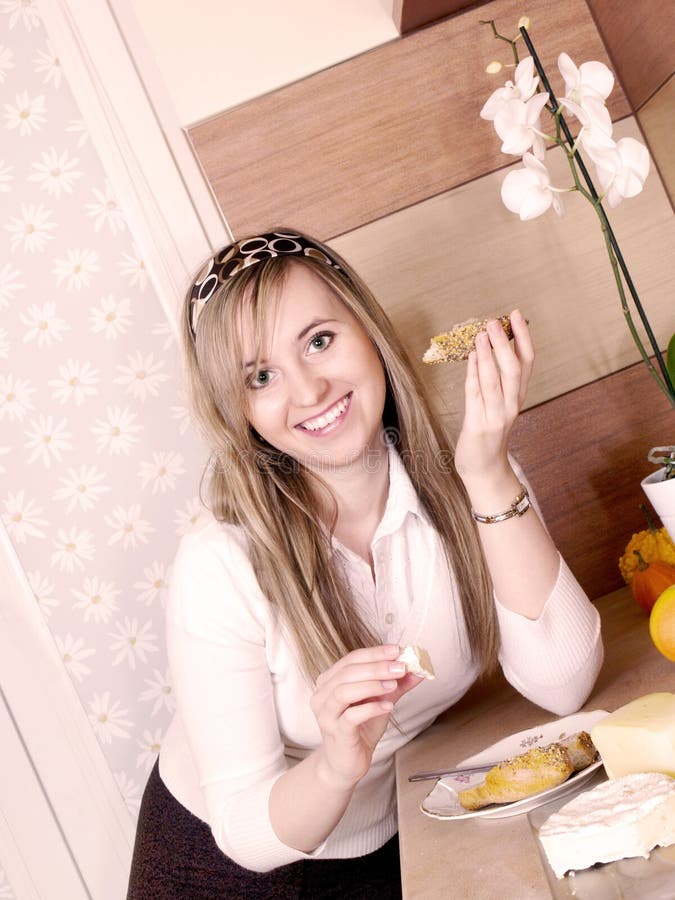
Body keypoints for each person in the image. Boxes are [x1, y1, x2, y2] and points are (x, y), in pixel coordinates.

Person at [127, 229, 603, 898]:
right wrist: (334, 764)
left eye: (319, 340)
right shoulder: (220, 566)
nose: (309, 389)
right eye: (260, 376)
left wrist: (490, 474)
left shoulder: (470, 482)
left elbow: (563, 685)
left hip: (385, 836)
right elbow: (243, 829)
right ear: (238, 410)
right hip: (223, 865)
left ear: (367, 327)